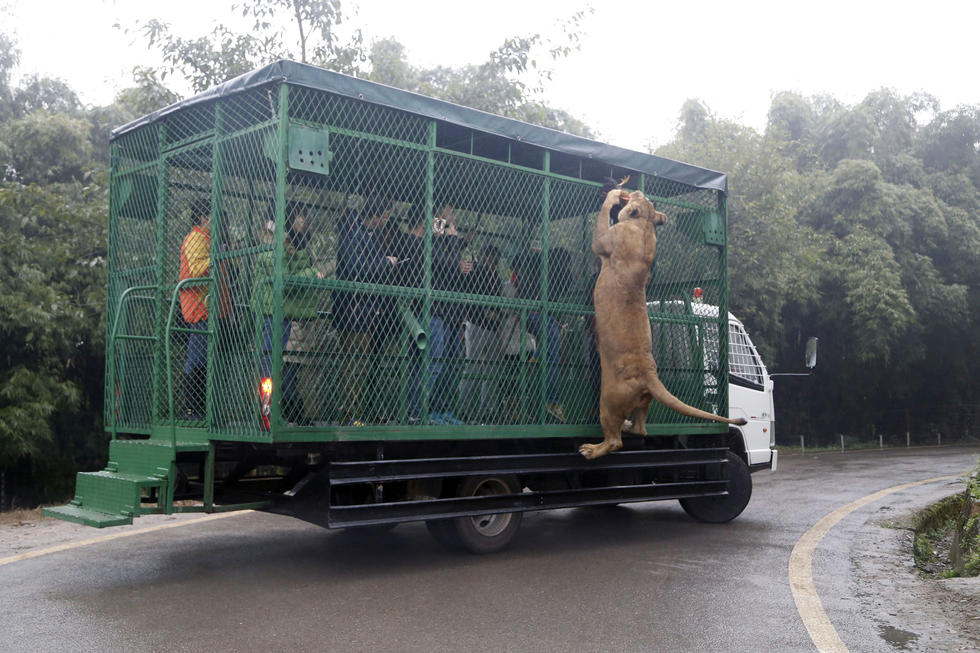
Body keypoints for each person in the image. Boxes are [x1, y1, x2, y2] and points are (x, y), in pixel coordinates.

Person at [394, 204, 471, 425]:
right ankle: (418, 412)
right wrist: (451, 239)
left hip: (448, 310)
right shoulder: (423, 239)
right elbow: (442, 263)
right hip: (430, 308)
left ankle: (439, 411)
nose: (452, 217)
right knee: (431, 362)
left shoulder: (441, 239)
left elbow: (452, 267)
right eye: (448, 213)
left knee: (448, 364)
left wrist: (456, 248)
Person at [251, 205, 322, 424]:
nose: (304, 220)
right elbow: (286, 282)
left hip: (278, 311)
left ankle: (271, 414)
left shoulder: (285, 243)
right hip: (272, 311)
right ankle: (267, 416)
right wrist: (312, 273)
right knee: (269, 365)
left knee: (274, 363)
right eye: (300, 216)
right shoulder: (273, 244)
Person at [335, 197, 398, 426]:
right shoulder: (354, 231)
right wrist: (385, 263)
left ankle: (355, 412)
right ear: (378, 215)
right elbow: (355, 267)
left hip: (362, 310)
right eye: (385, 218)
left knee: (358, 365)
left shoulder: (360, 232)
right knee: (355, 365)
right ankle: (352, 415)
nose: (385, 223)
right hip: (355, 311)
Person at [511, 248, 566, 423]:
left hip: (535, 311)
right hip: (532, 311)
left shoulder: (537, 269)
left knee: (552, 338)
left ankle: (538, 354)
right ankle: (552, 401)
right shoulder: (529, 272)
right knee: (552, 348)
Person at [459, 245, 503, 423]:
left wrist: (496, 313)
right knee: (473, 365)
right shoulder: (475, 272)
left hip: (493, 328)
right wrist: (485, 312)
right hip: (477, 324)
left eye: (495, 259)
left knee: (492, 370)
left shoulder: (497, 278)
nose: (492, 261)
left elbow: (498, 300)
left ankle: (488, 410)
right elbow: (470, 297)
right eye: (490, 257)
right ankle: (464, 408)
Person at [179, 198, 211, 420]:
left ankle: (200, 407)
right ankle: (191, 408)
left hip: (208, 305)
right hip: (199, 305)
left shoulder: (206, 238)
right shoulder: (196, 239)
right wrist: (217, 258)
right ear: (203, 217)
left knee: (202, 357)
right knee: (197, 357)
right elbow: (197, 269)